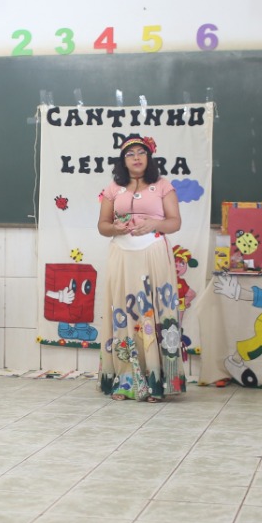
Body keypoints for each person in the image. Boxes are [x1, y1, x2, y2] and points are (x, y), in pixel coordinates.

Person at [96, 133, 186, 401]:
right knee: (123, 312)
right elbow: (102, 225)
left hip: (153, 252)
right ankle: (125, 381)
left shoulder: (162, 185)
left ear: (149, 157)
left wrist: (154, 224)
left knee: (154, 312)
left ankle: (158, 381)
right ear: (123, 161)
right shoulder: (113, 188)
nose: (136, 157)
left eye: (141, 153)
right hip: (122, 253)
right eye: (130, 154)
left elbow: (174, 222)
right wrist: (115, 227)